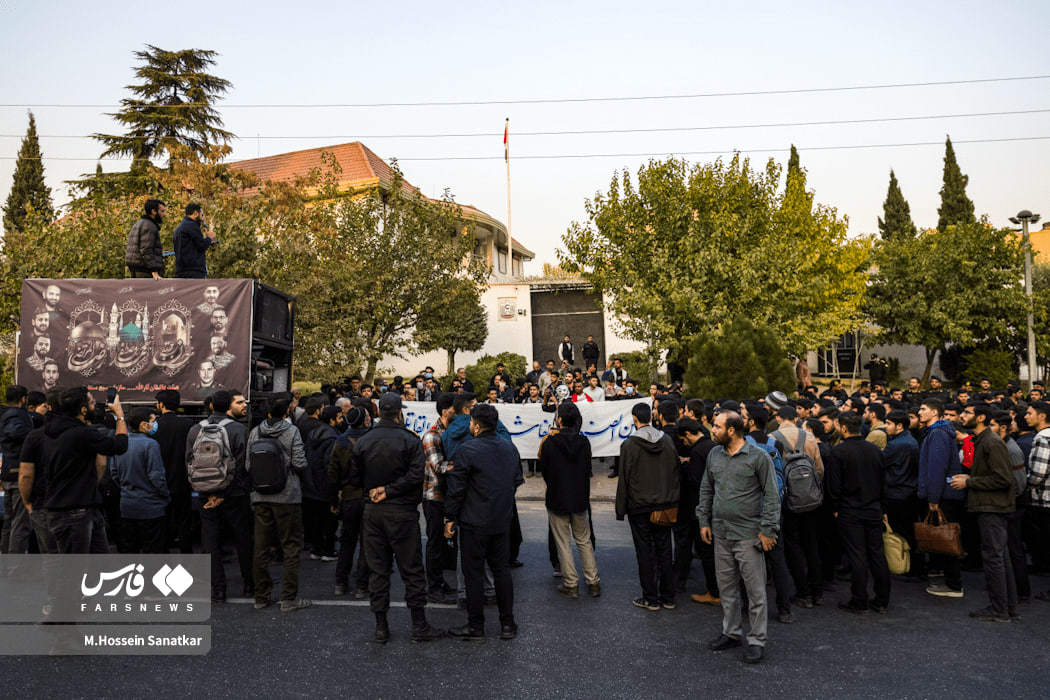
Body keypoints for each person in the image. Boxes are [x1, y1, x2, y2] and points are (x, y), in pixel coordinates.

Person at [350, 392, 443, 644]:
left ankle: (381, 627)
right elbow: (416, 476)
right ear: (399, 412)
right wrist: (389, 490)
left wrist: (378, 490)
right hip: (401, 512)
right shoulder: (409, 439)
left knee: (378, 570)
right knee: (411, 569)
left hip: (373, 511)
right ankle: (418, 625)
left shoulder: (364, 440)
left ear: (379, 412)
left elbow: (353, 478)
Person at [699, 411, 780, 665]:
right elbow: (706, 488)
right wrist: (703, 520)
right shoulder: (714, 454)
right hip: (720, 532)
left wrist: (768, 530)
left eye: (717, 426)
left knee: (755, 592)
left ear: (731, 430)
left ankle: (756, 640)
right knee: (727, 589)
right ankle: (731, 633)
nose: (713, 430)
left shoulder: (758, 457)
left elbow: (772, 495)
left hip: (748, 535)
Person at [445, 403, 523, 641]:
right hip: (501, 520)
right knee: (502, 572)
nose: (469, 425)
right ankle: (507, 624)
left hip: (474, 522)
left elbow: (456, 489)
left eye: (470, 422)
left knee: (473, 574)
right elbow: (515, 482)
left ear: (477, 427)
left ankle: (476, 626)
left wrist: (449, 517)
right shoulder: (510, 448)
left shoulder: (467, 450)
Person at [950, 403, 1017, 621]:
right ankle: (1008, 608)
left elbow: (1003, 479)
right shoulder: (983, 440)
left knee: (994, 558)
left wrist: (969, 482)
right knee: (999, 557)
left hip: (992, 507)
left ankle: (1000, 610)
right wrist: (970, 479)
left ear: (980, 418)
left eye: (967, 413)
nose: (962, 416)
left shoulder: (991, 442)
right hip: (990, 505)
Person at [187, 390, 254, 603]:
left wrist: (209, 492)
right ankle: (249, 583)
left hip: (205, 494)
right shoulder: (237, 429)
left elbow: (189, 462)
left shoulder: (195, 430)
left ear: (211, 405)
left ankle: (218, 589)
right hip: (234, 493)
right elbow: (243, 465)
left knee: (210, 542)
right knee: (242, 537)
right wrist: (223, 493)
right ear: (228, 407)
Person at [43, 387, 129, 553]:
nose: (95, 405)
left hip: (76, 506)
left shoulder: (52, 431)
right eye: (92, 402)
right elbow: (120, 446)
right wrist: (119, 414)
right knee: (76, 566)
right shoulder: (81, 433)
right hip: (74, 510)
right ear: (83, 410)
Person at [246, 397, 311, 612]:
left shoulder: (256, 431)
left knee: (260, 547)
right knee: (290, 546)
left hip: (260, 495)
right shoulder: (292, 431)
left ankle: (261, 596)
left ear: (267, 413)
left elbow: (248, 465)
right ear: (286, 413)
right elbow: (300, 462)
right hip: (287, 496)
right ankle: (289, 598)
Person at [615, 403, 680, 611]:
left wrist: (621, 509)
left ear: (634, 419)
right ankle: (668, 597)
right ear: (652, 417)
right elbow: (675, 472)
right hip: (665, 504)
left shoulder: (629, 445)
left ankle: (651, 598)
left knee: (645, 552)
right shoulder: (667, 440)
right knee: (665, 550)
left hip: (639, 506)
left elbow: (624, 478)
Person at [827, 411, 891, 615]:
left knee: (857, 555)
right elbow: (883, 482)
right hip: (873, 509)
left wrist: (835, 508)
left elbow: (834, 485)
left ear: (843, 428)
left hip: (849, 510)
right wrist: (883, 508)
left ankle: (859, 600)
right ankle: (882, 600)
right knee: (877, 554)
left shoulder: (839, 452)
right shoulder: (875, 450)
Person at [541, 402, 600, 599]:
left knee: (563, 542)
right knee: (584, 540)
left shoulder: (550, 442)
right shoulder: (584, 442)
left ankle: (571, 584)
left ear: (559, 420)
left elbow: (545, 470)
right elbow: (587, 469)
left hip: (557, 498)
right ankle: (593, 582)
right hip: (579, 498)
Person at [917, 398, 966, 598]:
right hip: (943, 493)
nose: (919, 412)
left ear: (934, 413)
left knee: (946, 538)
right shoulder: (937, 432)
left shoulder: (937, 434)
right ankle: (942, 573)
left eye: (923, 408)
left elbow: (937, 469)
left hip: (942, 495)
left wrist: (933, 499)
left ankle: (953, 585)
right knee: (942, 537)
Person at [107, 406, 169, 553]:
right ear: (143, 424)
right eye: (153, 421)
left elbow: (114, 473)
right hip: (151, 507)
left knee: (130, 550)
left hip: (127, 505)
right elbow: (156, 476)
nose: (155, 424)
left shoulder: (122, 443)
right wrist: (165, 495)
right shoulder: (150, 445)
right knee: (153, 551)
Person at [328, 406, 371, 598]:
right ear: (364, 421)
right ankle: (361, 585)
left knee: (347, 542)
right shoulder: (371, 440)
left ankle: (341, 582)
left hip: (348, 497)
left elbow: (332, 473)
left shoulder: (341, 442)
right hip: (368, 497)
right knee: (367, 543)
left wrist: (333, 499)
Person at [420, 392, 457, 603]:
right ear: (445, 411)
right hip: (434, 496)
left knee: (444, 543)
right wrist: (464, 465)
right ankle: (433, 588)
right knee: (434, 542)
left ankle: (441, 582)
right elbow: (439, 467)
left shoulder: (452, 433)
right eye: (455, 409)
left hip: (447, 496)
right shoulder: (432, 435)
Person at [882, 409, 923, 578]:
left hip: (897, 493)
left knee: (900, 534)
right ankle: (913, 567)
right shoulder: (911, 440)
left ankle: (905, 566)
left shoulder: (895, 445)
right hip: (909, 491)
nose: (885, 426)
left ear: (899, 426)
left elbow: (879, 463)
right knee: (909, 532)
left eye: (888, 423)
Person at [152, 390, 194, 553]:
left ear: (161, 404)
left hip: (160, 481)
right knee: (184, 521)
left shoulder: (154, 426)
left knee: (162, 521)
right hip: (183, 480)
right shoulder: (188, 424)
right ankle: (187, 556)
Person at [1, 386, 35, 554]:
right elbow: (15, 431)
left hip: (10, 472)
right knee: (20, 524)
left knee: (10, 522)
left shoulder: (6, 414)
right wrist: (34, 434)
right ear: (23, 399)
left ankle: (8, 562)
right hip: (18, 474)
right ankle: (16, 565)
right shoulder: (16, 415)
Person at [125, 198, 166, 279]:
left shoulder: (139, 223)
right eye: (162, 211)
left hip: (136, 268)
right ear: (153, 211)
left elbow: (140, 247)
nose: (164, 214)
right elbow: (146, 249)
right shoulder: (149, 226)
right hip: (144, 270)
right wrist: (153, 270)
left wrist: (157, 253)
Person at [173, 203, 217, 278]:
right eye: (202, 215)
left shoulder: (179, 227)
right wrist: (209, 238)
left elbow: (191, 246)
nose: (202, 219)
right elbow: (201, 245)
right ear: (196, 213)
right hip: (193, 270)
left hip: (181, 269)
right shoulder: (192, 226)